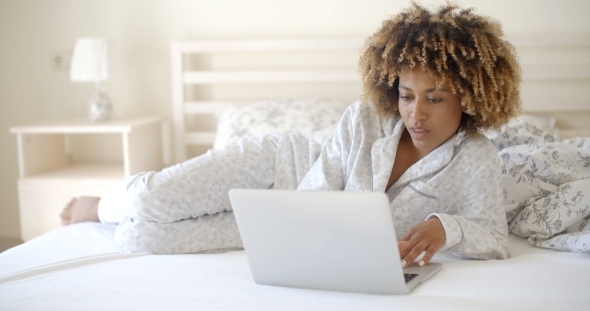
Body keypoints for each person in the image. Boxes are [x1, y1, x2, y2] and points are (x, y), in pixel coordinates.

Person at [61, 2, 521, 267]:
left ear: (471, 97)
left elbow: (496, 240)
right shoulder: (362, 120)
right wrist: (302, 230)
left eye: (435, 99)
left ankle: (116, 221)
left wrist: (449, 228)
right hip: (281, 172)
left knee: (144, 239)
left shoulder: (476, 158)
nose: (415, 113)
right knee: (149, 203)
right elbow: (315, 191)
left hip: (297, 227)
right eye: (405, 95)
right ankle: (100, 205)